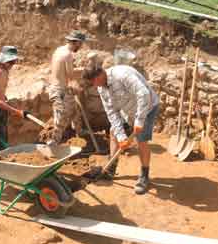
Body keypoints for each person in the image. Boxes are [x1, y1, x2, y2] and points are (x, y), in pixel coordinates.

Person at [82, 64, 159, 194]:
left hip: (147, 107)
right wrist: (122, 137)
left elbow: (144, 94)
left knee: (141, 139)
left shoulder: (122, 75)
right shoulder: (102, 88)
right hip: (128, 109)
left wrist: (139, 121)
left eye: (95, 81)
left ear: (100, 74)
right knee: (114, 132)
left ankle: (144, 176)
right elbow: (111, 112)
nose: (95, 86)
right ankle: (110, 169)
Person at [0, 46, 28, 152]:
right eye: (10, 62)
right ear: (4, 59)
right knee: (1, 147)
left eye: (14, 62)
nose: (12, 65)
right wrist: (18, 112)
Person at [48, 30, 87, 144]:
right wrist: (78, 88)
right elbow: (70, 77)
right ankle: (53, 143)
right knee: (61, 118)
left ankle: (79, 132)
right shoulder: (68, 55)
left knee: (75, 110)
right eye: (80, 44)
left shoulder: (59, 50)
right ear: (76, 42)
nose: (81, 47)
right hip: (60, 90)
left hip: (58, 87)